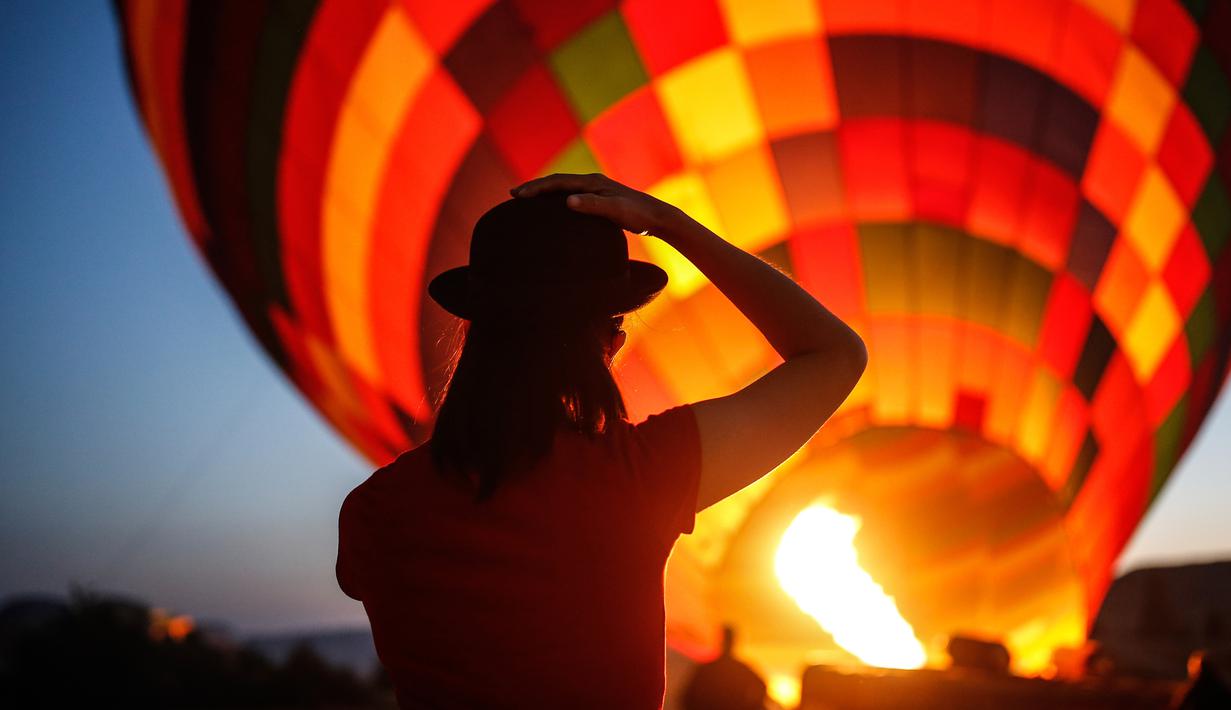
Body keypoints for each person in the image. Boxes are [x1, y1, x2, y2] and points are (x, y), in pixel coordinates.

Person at [336, 173, 867, 709]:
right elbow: (837, 354)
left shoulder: (373, 510)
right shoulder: (643, 476)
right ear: (605, 342)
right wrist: (669, 223)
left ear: (476, 330)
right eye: (615, 326)